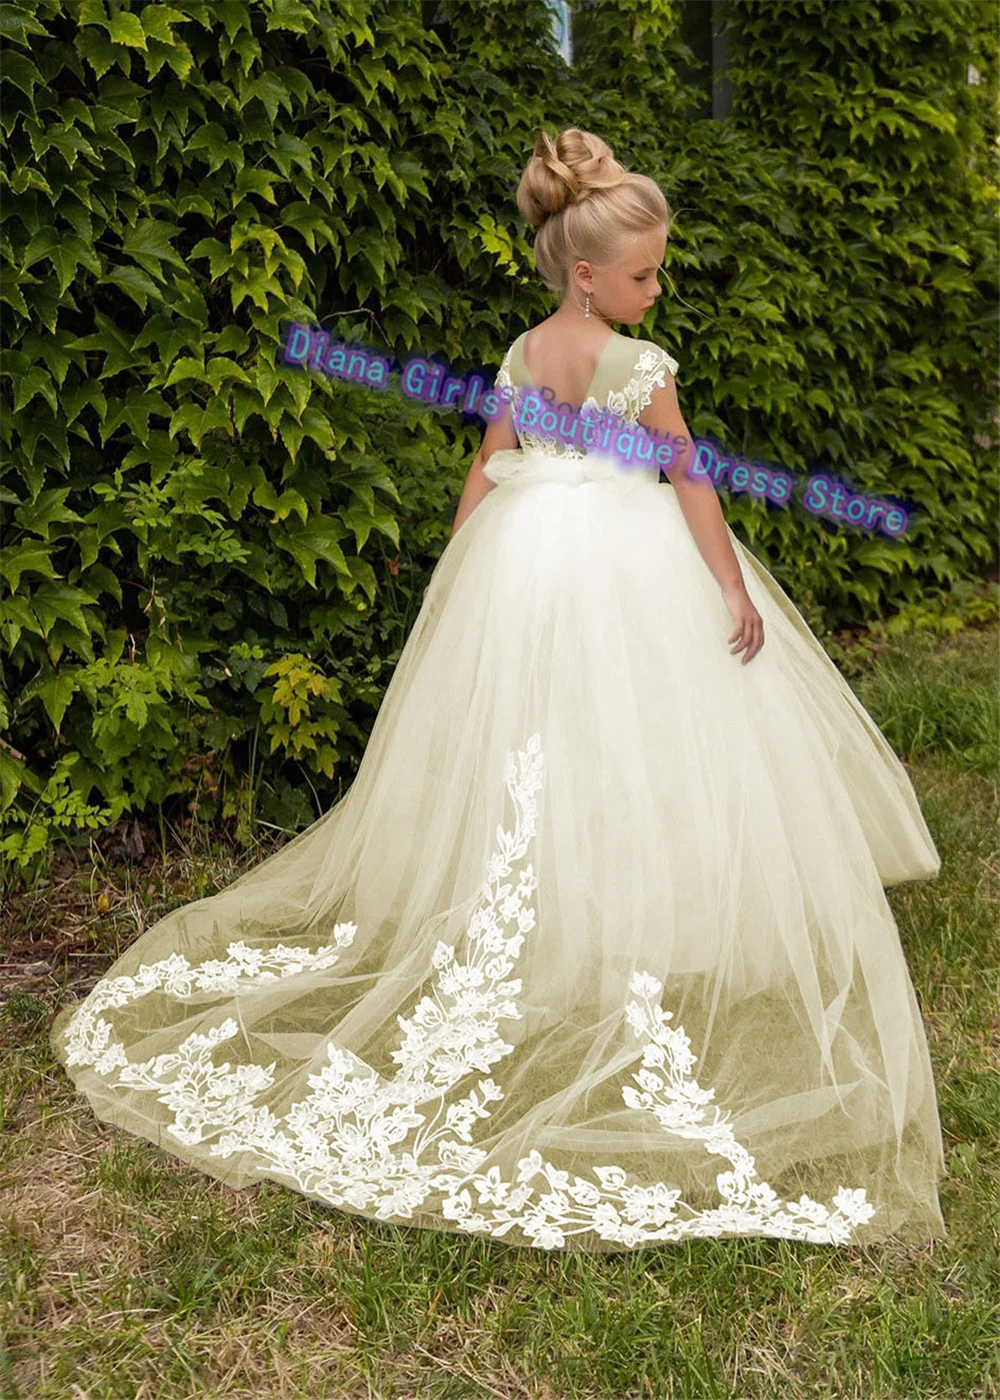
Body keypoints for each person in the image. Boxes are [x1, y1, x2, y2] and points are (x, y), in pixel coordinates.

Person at [50, 127, 947, 1252]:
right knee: (635, 740)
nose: (654, 287)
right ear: (587, 271)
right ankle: (621, 914)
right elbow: (692, 482)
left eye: (655, 272)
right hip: (624, 566)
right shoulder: (644, 368)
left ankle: (570, 915)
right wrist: (727, 586)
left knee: (546, 743)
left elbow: (485, 466)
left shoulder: (523, 356)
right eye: (642, 273)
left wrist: (457, 577)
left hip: (525, 562)